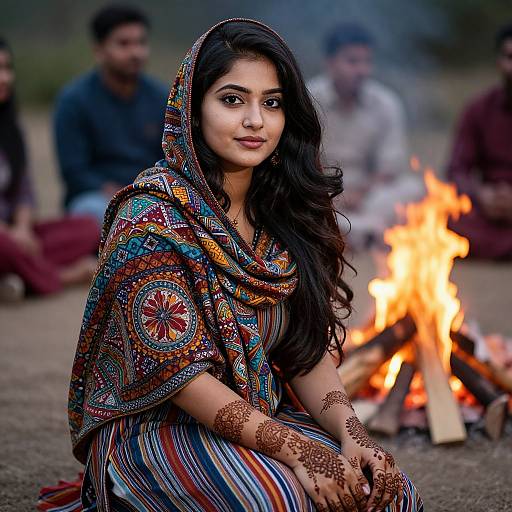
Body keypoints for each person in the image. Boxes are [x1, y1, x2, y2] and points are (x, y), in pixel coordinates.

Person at [39, 19, 423, 512]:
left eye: (272, 103)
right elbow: (179, 375)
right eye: (232, 100)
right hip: (158, 424)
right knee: (279, 502)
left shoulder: (283, 210)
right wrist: (296, 449)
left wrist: (354, 435)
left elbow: (303, 350)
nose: (255, 121)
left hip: (260, 414)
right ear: (192, 109)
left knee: (386, 494)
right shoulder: (150, 221)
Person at [0, 38, 99, 301]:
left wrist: (21, 227)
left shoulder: (10, 130)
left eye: (8, 68)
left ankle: (17, 278)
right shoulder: (75, 99)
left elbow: (23, 190)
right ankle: (66, 276)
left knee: (88, 228)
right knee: (4, 246)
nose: (5, 78)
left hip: (16, 234)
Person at [308, 23, 422, 249]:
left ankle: (346, 232)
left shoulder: (385, 103)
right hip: (321, 191)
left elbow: (390, 167)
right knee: (295, 199)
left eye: (367, 62)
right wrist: (332, 194)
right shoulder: (309, 99)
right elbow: (299, 160)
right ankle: (370, 233)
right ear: (330, 63)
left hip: (369, 194)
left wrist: (359, 193)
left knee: (414, 188)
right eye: (352, 61)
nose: (362, 70)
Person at [54, 4, 168, 224]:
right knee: (101, 212)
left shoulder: (162, 98)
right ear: (99, 51)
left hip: (150, 194)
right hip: (97, 197)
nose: (136, 52)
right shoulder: (74, 100)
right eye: (124, 44)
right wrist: (119, 194)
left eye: (141, 43)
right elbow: (74, 171)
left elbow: (170, 158)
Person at [447, 23, 512, 259]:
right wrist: (481, 194)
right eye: (510, 57)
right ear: (499, 62)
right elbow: (457, 169)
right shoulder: (479, 109)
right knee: (439, 215)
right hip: (487, 210)